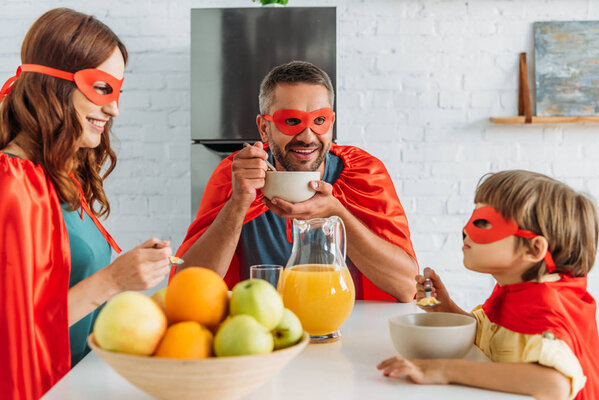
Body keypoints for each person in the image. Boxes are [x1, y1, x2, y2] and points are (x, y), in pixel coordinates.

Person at [0, 9, 172, 400]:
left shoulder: (55, 174)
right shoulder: (12, 186)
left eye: (117, 93)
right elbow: (14, 335)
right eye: (102, 89)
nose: (114, 110)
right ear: (53, 86)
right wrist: (113, 280)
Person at [173, 60, 417, 301]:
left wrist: (337, 213)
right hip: (262, 330)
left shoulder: (364, 173)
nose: (307, 137)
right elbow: (188, 287)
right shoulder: (236, 176)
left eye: (319, 121)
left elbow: (408, 286)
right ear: (264, 128)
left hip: (349, 328)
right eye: (291, 121)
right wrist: (239, 202)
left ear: (331, 123)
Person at [377, 170, 599, 399]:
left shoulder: (547, 306)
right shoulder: (517, 291)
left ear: (533, 249)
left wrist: (441, 369)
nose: (466, 230)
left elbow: (555, 383)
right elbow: (499, 341)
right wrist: (446, 309)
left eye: (483, 222)